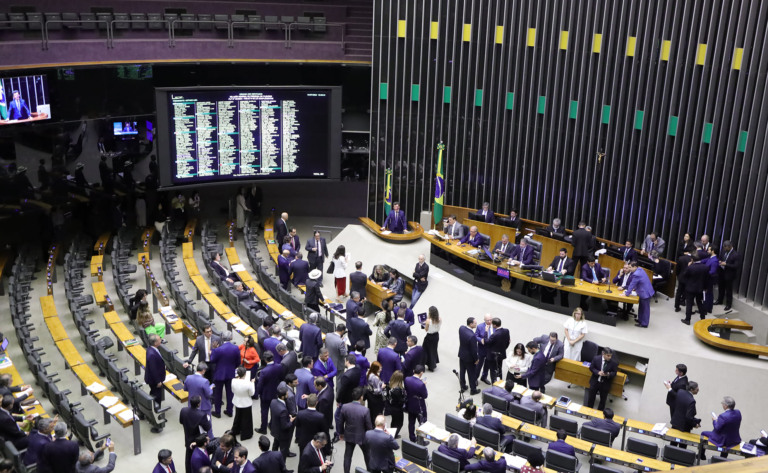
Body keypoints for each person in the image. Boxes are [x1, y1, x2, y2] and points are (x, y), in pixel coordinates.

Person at [340, 386, 372, 473]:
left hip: (349, 435)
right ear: (361, 397)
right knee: (367, 454)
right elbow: (369, 426)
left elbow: (340, 422)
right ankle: (369, 470)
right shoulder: (365, 410)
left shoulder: (345, 407)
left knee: (347, 456)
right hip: (362, 436)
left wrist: (341, 433)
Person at [210, 331, 240, 418]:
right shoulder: (235, 348)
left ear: (222, 337)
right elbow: (238, 362)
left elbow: (212, 360)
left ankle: (218, 412)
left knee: (218, 394)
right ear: (231, 338)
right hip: (231, 373)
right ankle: (229, 411)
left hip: (219, 374)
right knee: (230, 393)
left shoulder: (218, 349)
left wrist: (213, 349)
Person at [180, 395, 211, 472]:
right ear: (198, 404)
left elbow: (181, 421)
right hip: (198, 441)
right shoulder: (202, 415)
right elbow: (207, 427)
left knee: (188, 460)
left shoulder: (183, 410)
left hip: (188, 439)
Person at [183, 365, 214, 440]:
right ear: (203, 370)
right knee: (207, 424)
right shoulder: (205, 381)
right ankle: (211, 439)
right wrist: (211, 388)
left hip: (192, 405)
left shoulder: (188, 378)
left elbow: (185, 389)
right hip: (204, 406)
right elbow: (208, 394)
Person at [255, 351, 282, 434]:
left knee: (264, 411)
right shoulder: (279, 366)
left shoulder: (264, 371)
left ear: (265, 360)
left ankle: (263, 428)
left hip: (265, 394)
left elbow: (260, 384)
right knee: (273, 410)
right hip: (275, 392)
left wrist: (257, 393)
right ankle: (272, 425)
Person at [623, 260, 655, 327]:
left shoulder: (636, 274)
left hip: (645, 292)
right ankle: (640, 320)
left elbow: (632, 284)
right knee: (641, 307)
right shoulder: (640, 269)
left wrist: (626, 294)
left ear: (634, 267)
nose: (629, 269)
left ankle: (644, 323)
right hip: (643, 291)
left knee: (645, 309)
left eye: (630, 267)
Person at [679, 255, 709, 325]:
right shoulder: (705, 267)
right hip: (700, 288)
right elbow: (706, 279)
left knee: (689, 304)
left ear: (692, 260)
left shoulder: (690, 268)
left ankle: (687, 319)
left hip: (690, 288)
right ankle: (703, 318)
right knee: (699, 303)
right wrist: (705, 288)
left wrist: (688, 266)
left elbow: (684, 275)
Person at [270, 385, 296, 459]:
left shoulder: (273, 401)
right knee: (283, 452)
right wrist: (290, 421)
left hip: (275, 429)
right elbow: (285, 426)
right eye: (287, 394)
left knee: (275, 446)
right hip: (283, 434)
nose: (288, 395)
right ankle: (282, 469)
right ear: (282, 397)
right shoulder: (283, 410)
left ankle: (273, 458)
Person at [145, 335, 166, 421]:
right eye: (159, 339)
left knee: (154, 393)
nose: (160, 340)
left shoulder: (151, 349)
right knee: (157, 396)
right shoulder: (152, 354)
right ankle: (157, 414)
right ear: (155, 342)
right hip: (154, 380)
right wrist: (158, 381)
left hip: (154, 378)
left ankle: (152, 409)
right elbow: (153, 369)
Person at [230, 367, 255, 441]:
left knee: (237, 417)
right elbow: (252, 393)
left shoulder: (233, 381)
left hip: (237, 401)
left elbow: (233, 390)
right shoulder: (248, 383)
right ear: (245, 374)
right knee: (246, 419)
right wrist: (253, 383)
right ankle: (246, 434)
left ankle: (236, 430)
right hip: (246, 402)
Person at [404, 365, 428, 442]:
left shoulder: (407, 379)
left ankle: (412, 438)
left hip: (410, 404)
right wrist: (423, 384)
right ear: (421, 373)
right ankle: (420, 440)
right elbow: (425, 395)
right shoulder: (421, 384)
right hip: (419, 406)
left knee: (411, 422)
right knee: (422, 423)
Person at [458, 317, 481, 395]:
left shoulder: (461, 328)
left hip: (462, 355)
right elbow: (474, 350)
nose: (476, 324)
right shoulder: (472, 336)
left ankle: (463, 386)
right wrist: (476, 359)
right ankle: (473, 390)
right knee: (471, 374)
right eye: (475, 323)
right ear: (471, 324)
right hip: (469, 359)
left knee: (462, 372)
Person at [718, 240, 741, 311]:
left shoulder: (735, 254)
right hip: (722, 272)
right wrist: (720, 261)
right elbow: (721, 258)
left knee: (728, 290)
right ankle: (719, 300)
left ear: (730, 247)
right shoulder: (723, 251)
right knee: (721, 288)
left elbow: (736, 266)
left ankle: (728, 304)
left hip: (729, 275)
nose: (724, 249)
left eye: (725, 248)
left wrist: (726, 264)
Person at [486, 317, 510, 383]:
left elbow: (487, 342)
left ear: (494, 325)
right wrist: (503, 349)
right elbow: (507, 342)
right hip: (501, 355)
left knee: (493, 372)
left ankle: (495, 386)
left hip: (492, 357)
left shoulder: (494, 335)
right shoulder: (506, 331)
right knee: (499, 370)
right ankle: (500, 383)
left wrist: (486, 332)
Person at [384, 371, 406, 439]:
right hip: (397, 409)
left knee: (394, 422)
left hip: (391, 406)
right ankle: (393, 435)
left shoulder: (389, 384)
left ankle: (391, 433)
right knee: (399, 423)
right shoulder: (398, 390)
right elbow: (402, 400)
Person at [475, 314, 493, 385]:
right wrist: (480, 340)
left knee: (487, 365)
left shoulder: (494, 326)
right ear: (484, 320)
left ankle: (484, 377)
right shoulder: (480, 326)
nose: (489, 321)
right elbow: (476, 336)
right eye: (487, 320)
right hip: (481, 349)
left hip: (490, 349)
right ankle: (475, 378)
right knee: (479, 365)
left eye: (490, 320)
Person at [422, 306, 441, 371]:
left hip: (429, 336)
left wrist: (425, 322)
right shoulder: (439, 319)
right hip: (436, 336)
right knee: (433, 350)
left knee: (425, 350)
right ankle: (432, 365)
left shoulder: (428, 321)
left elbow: (426, 329)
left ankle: (423, 364)